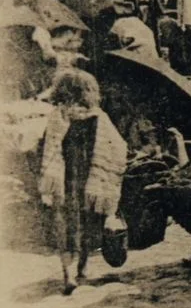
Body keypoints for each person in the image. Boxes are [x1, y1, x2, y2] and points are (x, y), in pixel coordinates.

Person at [38, 69, 128, 294]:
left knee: (66, 225)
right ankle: (83, 267)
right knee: (89, 223)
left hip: (66, 179)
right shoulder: (98, 116)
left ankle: (68, 273)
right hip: (91, 180)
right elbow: (118, 145)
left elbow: (49, 148)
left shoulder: (58, 115)